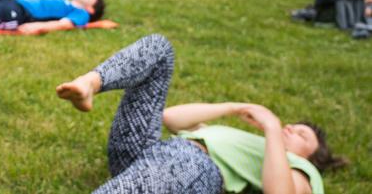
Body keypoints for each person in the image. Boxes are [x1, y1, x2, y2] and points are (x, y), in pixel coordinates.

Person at [56, 34, 345, 193]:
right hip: (149, 152)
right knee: (160, 49)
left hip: (196, 168)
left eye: (302, 135)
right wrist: (233, 108)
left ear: (311, 157)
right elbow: (169, 118)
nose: (291, 128)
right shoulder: (242, 142)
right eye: (293, 125)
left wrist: (271, 126)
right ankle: (91, 82)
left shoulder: (300, 168)